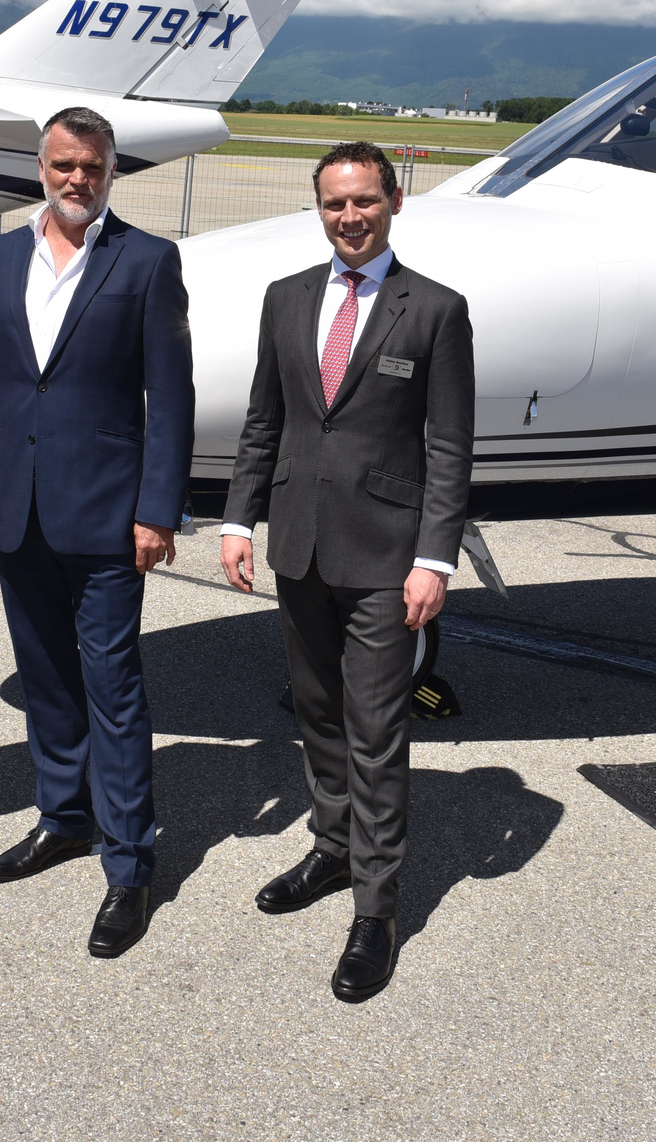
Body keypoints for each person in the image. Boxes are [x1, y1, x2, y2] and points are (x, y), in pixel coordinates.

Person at [219, 141, 474, 1003]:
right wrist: (236, 517)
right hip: (297, 544)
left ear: (394, 201)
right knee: (318, 713)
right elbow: (266, 418)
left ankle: (377, 907)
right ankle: (331, 849)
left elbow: (449, 447)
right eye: (335, 204)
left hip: (384, 557)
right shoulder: (286, 299)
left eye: (364, 201)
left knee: (376, 727)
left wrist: (434, 556)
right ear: (319, 208)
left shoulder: (436, 310)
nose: (350, 217)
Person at [0, 106, 193, 958]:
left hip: (108, 516)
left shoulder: (149, 260)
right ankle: (62, 816)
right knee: (45, 676)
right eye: (62, 164)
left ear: (112, 168)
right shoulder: (1, 255)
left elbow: (173, 397)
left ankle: (129, 864)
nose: (77, 178)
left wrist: (159, 508)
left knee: (113, 688)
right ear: (40, 166)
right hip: (17, 506)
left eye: (92, 166)